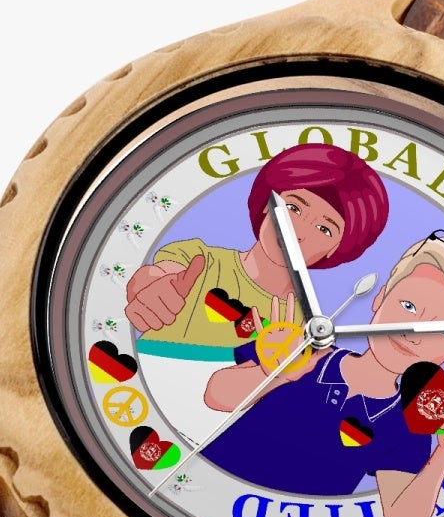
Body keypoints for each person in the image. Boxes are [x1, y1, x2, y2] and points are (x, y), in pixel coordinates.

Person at [201, 233, 444, 517]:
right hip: (205, 495)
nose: (411, 334)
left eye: (442, 332)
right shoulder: (306, 350)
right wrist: (277, 372)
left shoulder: (408, 425)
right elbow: (216, 395)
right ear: (379, 298)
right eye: (408, 306)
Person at [124, 143, 389, 362]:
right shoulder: (200, 260)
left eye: (324, 229)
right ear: (266, 204)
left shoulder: (307, 327)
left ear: (335, 250)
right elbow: (155, 277)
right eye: (294, 208)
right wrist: (153, 291)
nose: (298, 231)